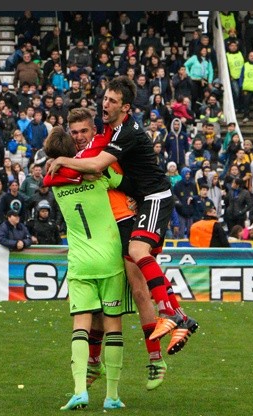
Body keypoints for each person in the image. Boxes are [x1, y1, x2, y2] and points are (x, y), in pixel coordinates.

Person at [48, 76, 198, 355]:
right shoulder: (109, 131)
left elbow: (98, 166)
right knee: (138, 280)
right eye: (105, 98)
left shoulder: (122, 134)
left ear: (125, 107)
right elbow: (105, 174)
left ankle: (168, 323)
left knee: (139, 264)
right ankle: (178, 318)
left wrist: (64, 162)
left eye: (112, 101)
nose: (105, 103)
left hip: (150, 201)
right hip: (134, 207)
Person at [46, 107, 168, 390]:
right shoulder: (71, 162)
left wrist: (137, 199)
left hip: (124, 223)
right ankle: (93, 362)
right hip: (100, 237)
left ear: (94, 130)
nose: (79, 136)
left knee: (139, 290)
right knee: (99, 306)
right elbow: (53, 178)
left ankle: (155, 358)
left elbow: (126, 179)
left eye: (84, 131)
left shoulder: (105, 150)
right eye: (74, 132)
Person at [44, 127, 129, 411]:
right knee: (113, 325)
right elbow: (123, 180)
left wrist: (61, 163)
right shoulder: (99, 175)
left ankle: (80, 390)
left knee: (81, 324)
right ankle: (112, 396)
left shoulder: (55, 181)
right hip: (109, 258)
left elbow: (53, 176)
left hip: (80, 261)